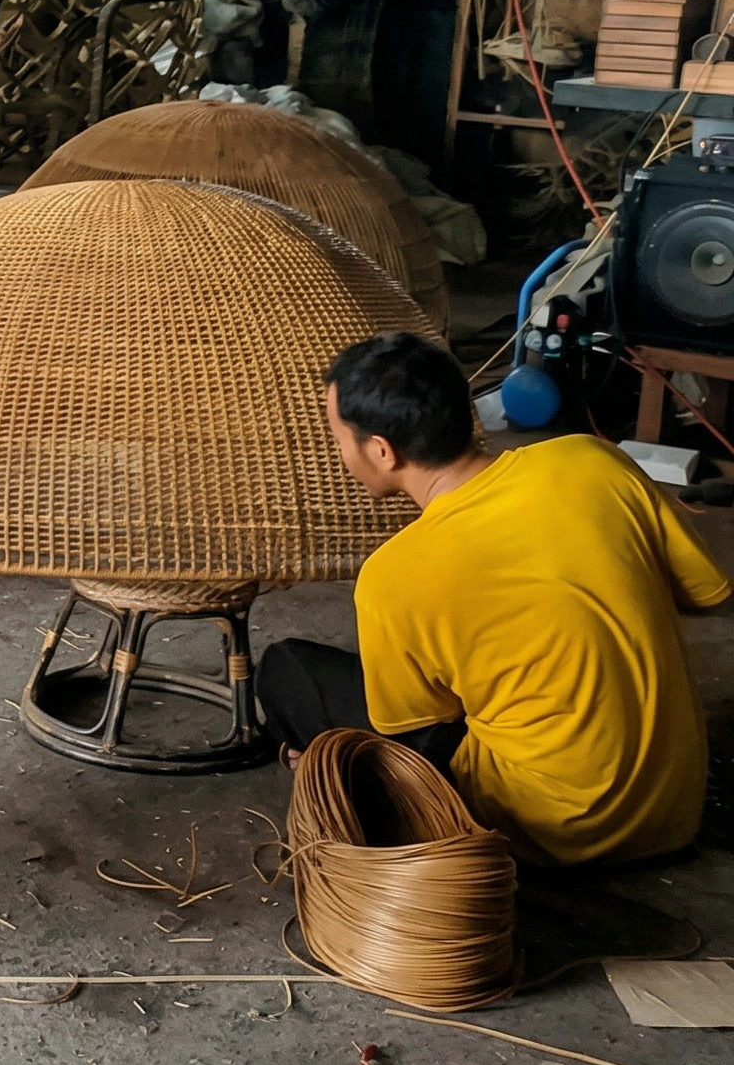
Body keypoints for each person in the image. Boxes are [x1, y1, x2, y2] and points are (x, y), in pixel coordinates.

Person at [257, 329, 729, 865]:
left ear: (383, 452)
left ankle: (325, 770)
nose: (339, 451)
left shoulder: (392, 576)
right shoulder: (594, 461)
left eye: (338, 436)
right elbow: (702, 593)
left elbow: (421, 725)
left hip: (544, 836)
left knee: (287, 668)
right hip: (669, 816)